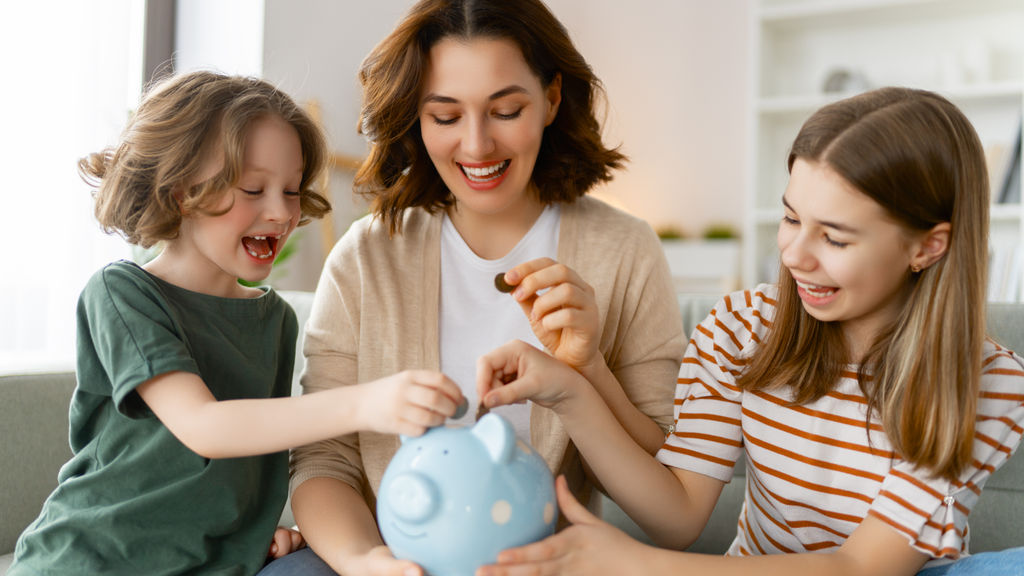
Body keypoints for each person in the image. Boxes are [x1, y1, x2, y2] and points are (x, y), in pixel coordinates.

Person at [473, 87, 1024, 575]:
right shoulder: (743, 327)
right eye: (790, 219)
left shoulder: (987, 383)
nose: (793, 256)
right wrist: (572, 387)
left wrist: (640, 566)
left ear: (928, 247)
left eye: (834, 238)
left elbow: (863, 566)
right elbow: (678, 513)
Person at [259, 0, 685, 574]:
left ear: (552, 99)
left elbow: (669, 494)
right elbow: (323, 458)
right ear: (416, 116)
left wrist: (588, 373)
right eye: (445, 116)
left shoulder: (624, 250)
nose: (478, 145)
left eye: (506, 109)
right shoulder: (366, 255)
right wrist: (369, 562)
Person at [8, 70, 463, 576]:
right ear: (180, 191)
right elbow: (205, 428)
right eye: (253, 188)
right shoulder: (124, 294)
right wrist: (368, 402)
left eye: (291, 190)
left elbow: (248, 461)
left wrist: (250, 531)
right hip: (91, 561)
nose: (279, 211)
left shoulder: (275, 320)